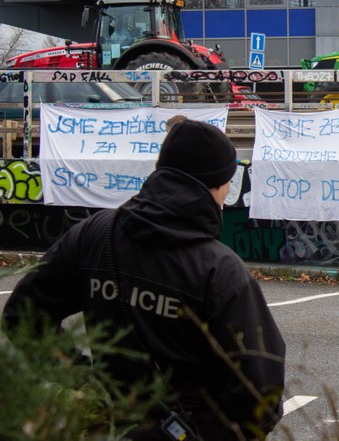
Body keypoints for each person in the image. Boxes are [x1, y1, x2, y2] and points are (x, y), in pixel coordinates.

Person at [2, 118, 285, 440]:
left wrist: (85, 378)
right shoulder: (220, 270)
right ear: (220, 184)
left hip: (110, 424)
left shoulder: (95, 234)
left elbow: (23, 317)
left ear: (161, 168)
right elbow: (262, 391)